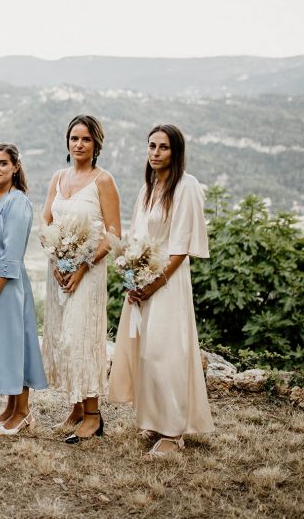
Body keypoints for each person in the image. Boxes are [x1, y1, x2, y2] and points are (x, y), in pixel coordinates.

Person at [109, 124, 214, 456]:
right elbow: (138, 239)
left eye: (163, 147)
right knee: (143, 352)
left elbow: (180, 247)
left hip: (168, 283)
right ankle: (152, 420)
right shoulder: (148, 187)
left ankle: (173, 432)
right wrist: (133, 278)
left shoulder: (187, 187)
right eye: (151, 146)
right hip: (142, 282)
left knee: (164, 354)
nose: (155, 152)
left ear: (176, 151)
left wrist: (155, 283)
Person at [40, 115, 121, 444]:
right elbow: (46, 219)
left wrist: (83, 263)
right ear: (67, 142)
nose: (79, 144)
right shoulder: (58, 177)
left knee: (81, 338)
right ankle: (75, 407)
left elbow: (114, 232)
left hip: (87, 272)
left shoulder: (104, 180)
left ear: (96, 144)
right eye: (74, 138)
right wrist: (56, 258)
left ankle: (93, 416)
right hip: (58, 269)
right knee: (62, 337)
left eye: (86, 139)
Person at [0, 143, 47, 436]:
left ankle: (24, 412)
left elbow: (13, 253)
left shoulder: (19, 202)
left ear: (16, 167)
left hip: (9, 283)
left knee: (18, 344)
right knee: (1, 345)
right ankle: (10, 407)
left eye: (3, 163)